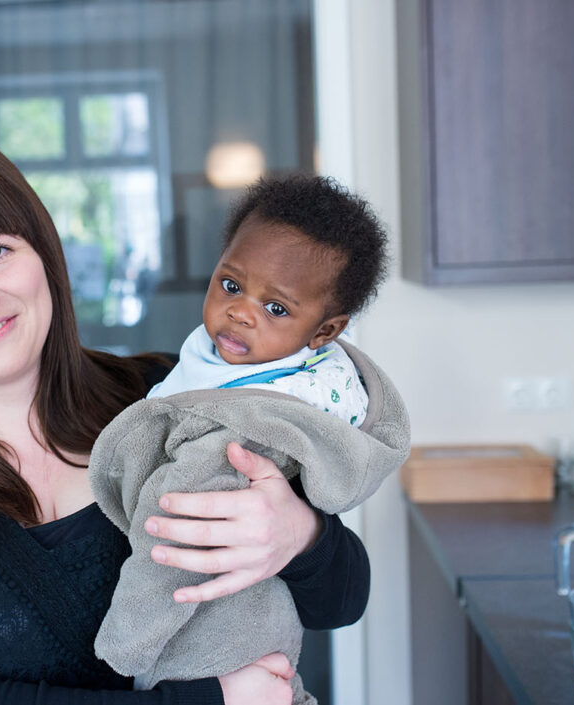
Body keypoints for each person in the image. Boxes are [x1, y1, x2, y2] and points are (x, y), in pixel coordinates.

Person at [0, 132, 377, 705]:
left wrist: (299, 535)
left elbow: (341, 601)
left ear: (44, 256)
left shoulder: (168, 399)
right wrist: (213, 702)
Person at [88, 176, 410, 703]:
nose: (241, 311)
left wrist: (125, 647)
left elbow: (175, 536)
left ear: (325, 333)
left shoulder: (247, 421)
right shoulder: (214, 376)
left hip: (210, 641)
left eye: (276, 308)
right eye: (231, 285)